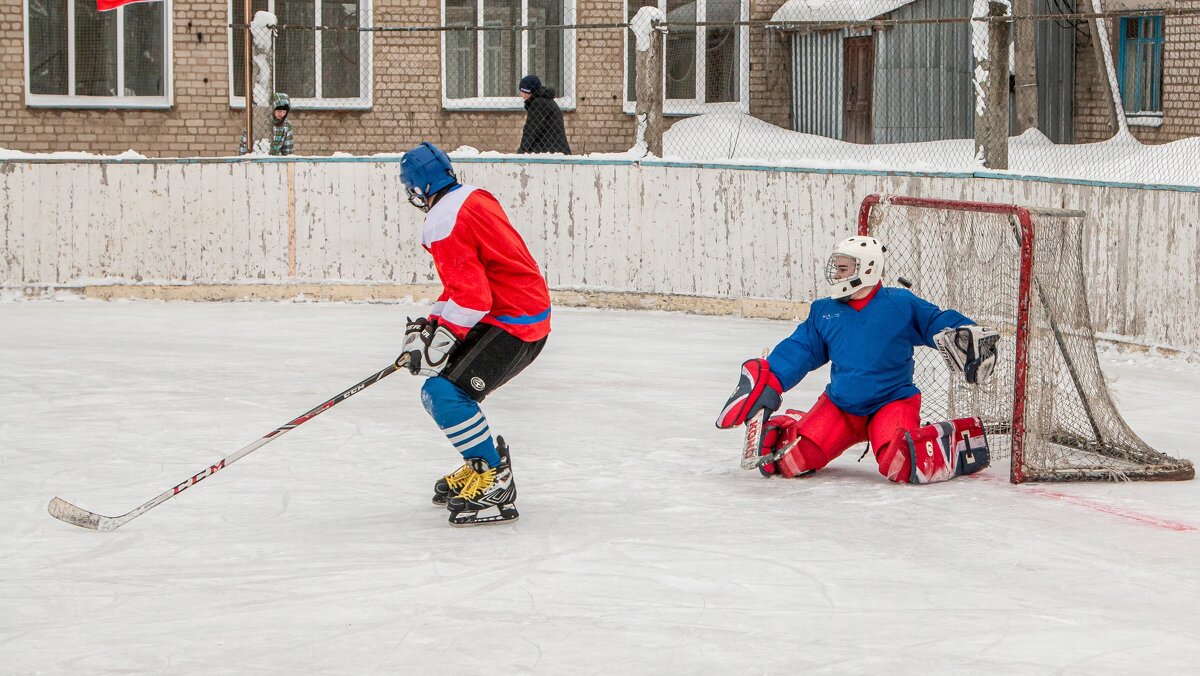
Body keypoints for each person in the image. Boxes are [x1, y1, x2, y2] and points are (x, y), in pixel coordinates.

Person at [715, 236, 999, 484]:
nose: (836, 274)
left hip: (892, 403)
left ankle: (952, 442)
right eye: (836, 267)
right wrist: (772, 380)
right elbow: (800, 348)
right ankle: (794, 423)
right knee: (789, 463)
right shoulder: (824, 311)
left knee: (901, 463)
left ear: (868, 268)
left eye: (843, 268)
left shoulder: (900, 304)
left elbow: (936, 321)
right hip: (841, 407)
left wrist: (966, 335)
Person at [397, 141, 551, 526]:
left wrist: (438, 343)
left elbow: (472, 297)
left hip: (515, 320)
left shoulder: (441, 222)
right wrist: (433, 324)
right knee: (447, 386)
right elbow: (463, 283)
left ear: (418, 189)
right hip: (520, 307)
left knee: (442, 392)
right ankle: (480, 463)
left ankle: (495, 480)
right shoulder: (471, 197)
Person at [517, 74, 571, 155]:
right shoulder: (544, 101)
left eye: (524, 92)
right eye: (521, 91)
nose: (522, 95)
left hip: (550, 153)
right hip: (555, 150)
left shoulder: (538, 103)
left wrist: (521, 151)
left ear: (529, 92)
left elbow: (531, 129)